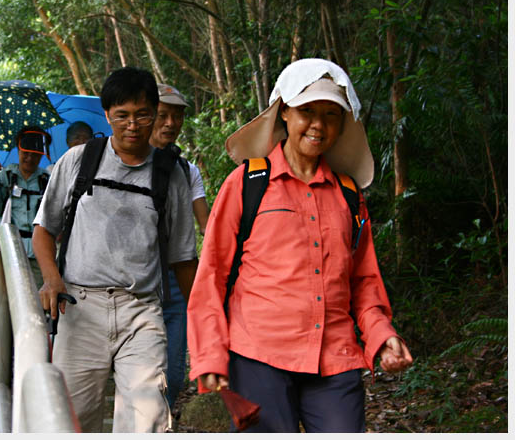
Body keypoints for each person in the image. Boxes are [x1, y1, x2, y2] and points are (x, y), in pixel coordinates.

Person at [187, 58, 413, 433]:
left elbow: (364, 281)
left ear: (342, 123)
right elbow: (211, 275)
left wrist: (381, 335)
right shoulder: (247, 183)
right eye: (307, 111)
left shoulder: (349, 194)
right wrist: (210, 354)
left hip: (336, 357)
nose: (318, 124)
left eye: (330, 114)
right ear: (284, 113)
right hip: (258, 356)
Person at [32, 67, 198, 433]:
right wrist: (51, 279)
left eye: (142, 115)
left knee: (147, 418)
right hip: (79, 307)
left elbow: (184, 259)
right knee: (70, 420)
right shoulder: (79, 160)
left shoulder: (171, 174)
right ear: (107, 115)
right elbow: (44, 230)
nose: (132, 125)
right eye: (122, 115)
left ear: (155, 114)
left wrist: (204, 322)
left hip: (141, 310)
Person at [149, 83, 210, 411]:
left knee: (173, 372)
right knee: (141, 370)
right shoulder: (126, 165)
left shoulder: (187, 171)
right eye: (163, 115)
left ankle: (162, 421)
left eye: (177, 116)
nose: (171, 123)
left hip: (177, 278)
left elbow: (206, 225)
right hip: (136, 281)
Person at [0, 126, 51, 289]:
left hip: (38, 251)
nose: (29, 158)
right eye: (25, 153)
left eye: (35, 154)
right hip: (9, 248)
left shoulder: (46, 180)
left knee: (36, 295)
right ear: (18, 151)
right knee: (6, 295)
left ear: (42, 154)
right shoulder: (7, 176)